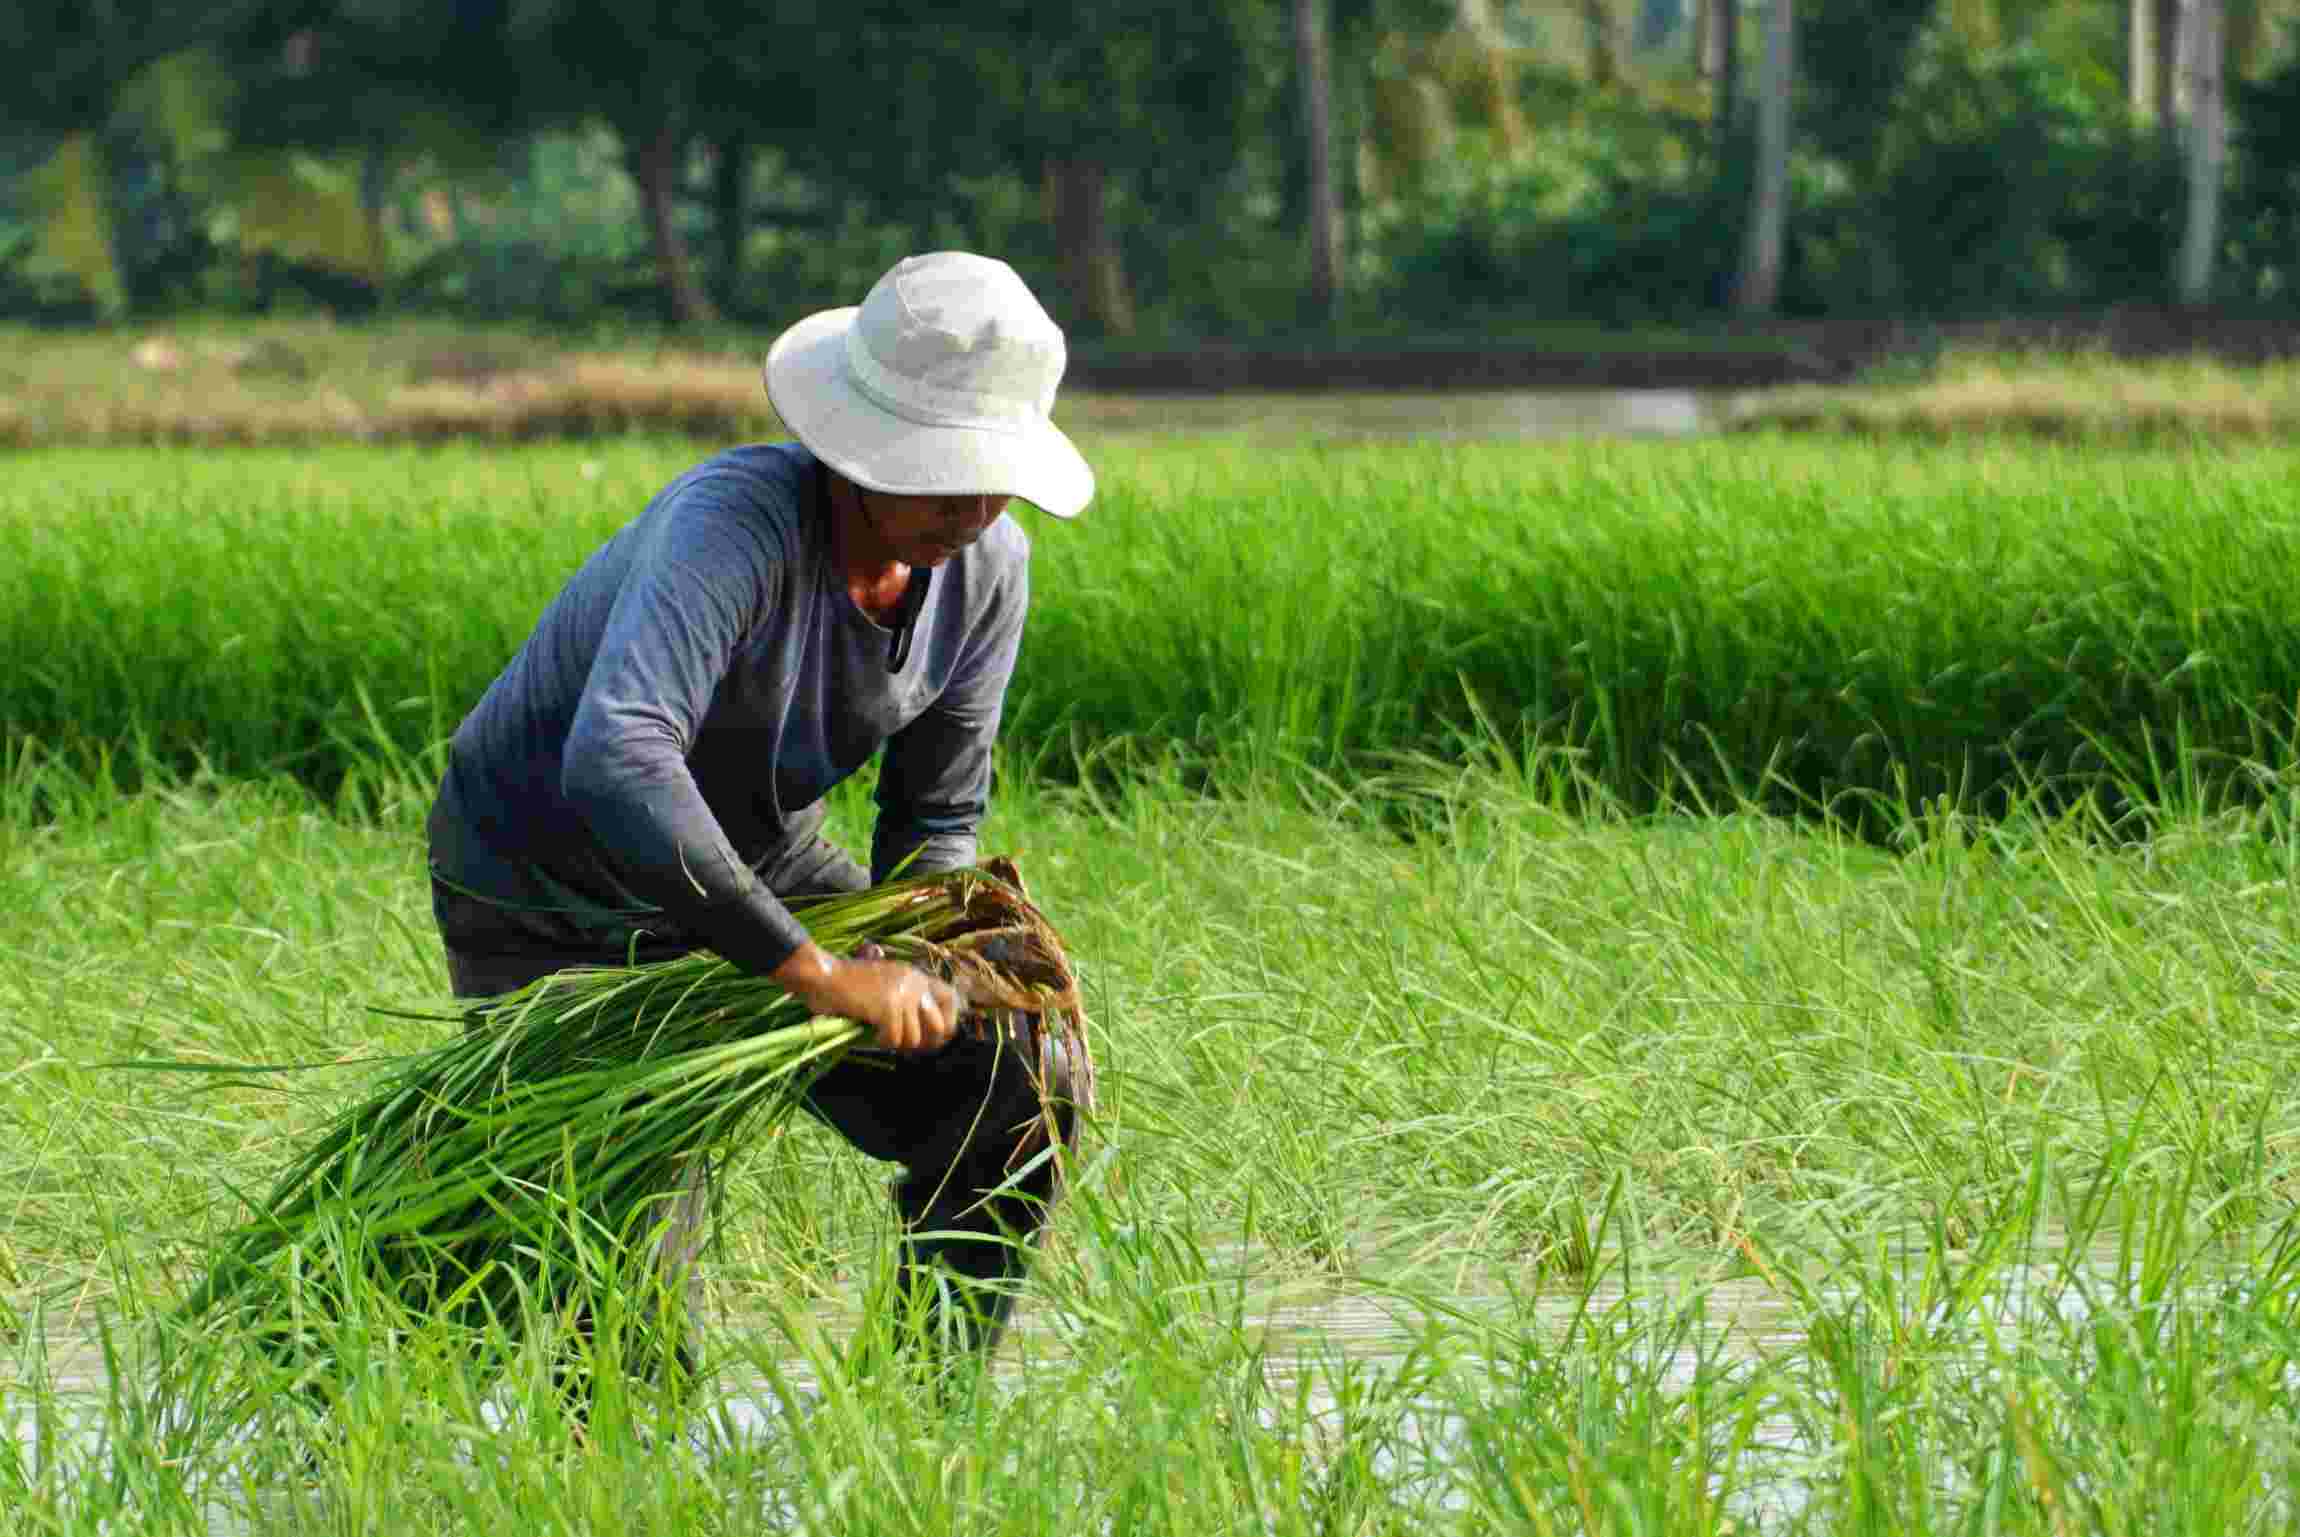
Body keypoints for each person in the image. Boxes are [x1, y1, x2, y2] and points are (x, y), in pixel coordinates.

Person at [423, 251, 1094, 1384]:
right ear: (855, 443)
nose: (971, 507)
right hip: (552, 889)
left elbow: (936, 813)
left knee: (1017, 1089)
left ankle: (920, 1422)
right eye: (941, 473)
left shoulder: (985, 566)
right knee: (630, 1310)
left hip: (754, 853)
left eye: (990, 476)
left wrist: (942, 942)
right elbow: (618, 759)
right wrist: (820, 975)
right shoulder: (731, 527)